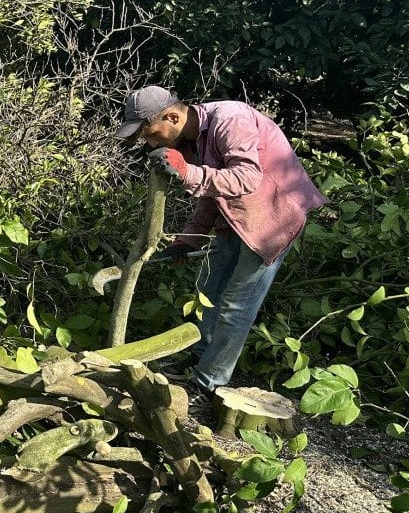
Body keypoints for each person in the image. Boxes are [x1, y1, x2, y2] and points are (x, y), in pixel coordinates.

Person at [115, 85, 328, 395]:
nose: (148, 143)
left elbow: (247, 178)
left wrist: (187, 173)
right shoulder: (191, 138)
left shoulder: (231, 119)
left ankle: (208, 383)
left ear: (172, 116)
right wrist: (187, 240)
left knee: (235, 306)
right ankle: (199, 358)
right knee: (208, 293)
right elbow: (211, 196)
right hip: (235, 219)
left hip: (272, 220)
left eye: (149, 133)